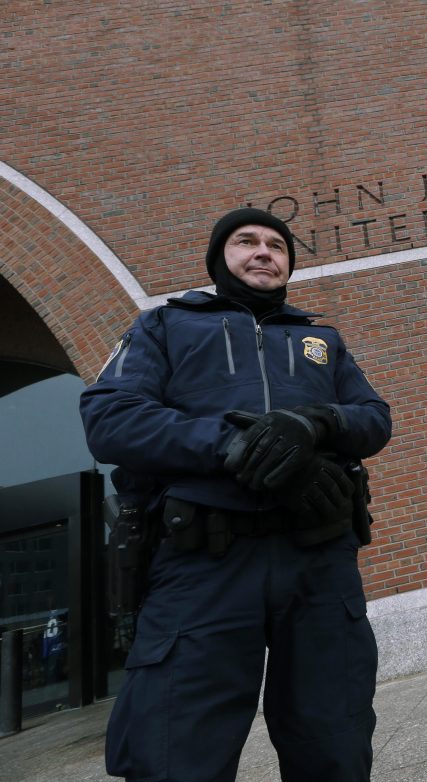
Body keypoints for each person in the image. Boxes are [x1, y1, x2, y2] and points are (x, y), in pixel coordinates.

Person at [80, 208, 392, 782]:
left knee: (337, 743)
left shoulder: (321, 339)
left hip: (317, 562)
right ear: (218, 258)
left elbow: (374, 418)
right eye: (246, 241)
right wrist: (237, 446)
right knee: (178, 752)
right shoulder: (164, 326)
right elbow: (111, 419)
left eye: (277, 245)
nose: (263, 252)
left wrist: (316, 423)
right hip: (203, 564)